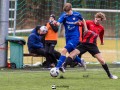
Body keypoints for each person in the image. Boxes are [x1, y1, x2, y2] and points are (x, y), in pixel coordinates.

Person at [64, 12, 118, 79]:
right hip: (84, 44)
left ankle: (110, 75)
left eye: (98, 20)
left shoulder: (101, 28)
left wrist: (101, 41)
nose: (96, 21)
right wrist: (78, 23)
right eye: (96, 19)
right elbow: (81, 23)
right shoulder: (89, 22)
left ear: (101, 20)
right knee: (72, 54)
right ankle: (63, 67)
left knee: (102, 60)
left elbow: (101, 35)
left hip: (93, 46)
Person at [52, 3, 86, 72]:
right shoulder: (64, 15)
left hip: (75, 37)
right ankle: (81, 61)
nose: (67, 13)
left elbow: (83, 20)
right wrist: (55, 23)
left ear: (71, 9)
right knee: (71, 53)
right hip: (67, 37)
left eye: (68, 12)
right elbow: (58, 23)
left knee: (64, 51)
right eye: (66, 12)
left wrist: (85, 29)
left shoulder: (77, 14)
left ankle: (58, 68)